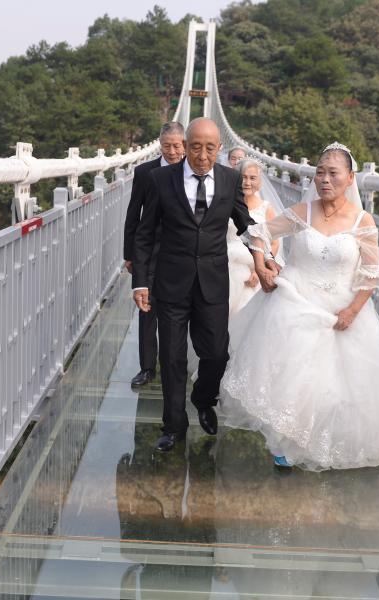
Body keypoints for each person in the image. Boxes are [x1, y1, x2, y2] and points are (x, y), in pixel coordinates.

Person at [219, 141, 379, 470]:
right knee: (293, 378)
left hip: (341, 312)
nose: (324, 179)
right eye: (319, 172)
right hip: (294, 303)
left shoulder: (363, 221)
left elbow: (371, 274)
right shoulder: (302, 212)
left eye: (333, 173)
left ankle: (321, 443)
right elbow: (259, 233)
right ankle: (286, 445)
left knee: (332, 388)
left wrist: (352, 310)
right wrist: (262, 264)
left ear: (350, 178)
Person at [132, 117, 254, 453]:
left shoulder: (231, 179)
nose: (202, 155)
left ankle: (203, 398)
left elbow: (246, 224)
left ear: (219, 149)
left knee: (216, 354)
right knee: (171, 358)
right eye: (195, 147)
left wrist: (266, 257)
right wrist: (140, 282)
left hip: (213, 283)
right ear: (185, 146)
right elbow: (143, 235)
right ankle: (173, 426)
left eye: (210, 148)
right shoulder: (160, 179)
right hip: (170, 283)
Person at [123, 122, 185, 387]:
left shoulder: (194, 171)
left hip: (180, 252)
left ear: (184, 145)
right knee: (147, 310)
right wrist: (129, 254)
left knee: (178, 312)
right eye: (167, 146)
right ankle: (147, 368)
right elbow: (133, 213)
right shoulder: (144, 172)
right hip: (148, 251)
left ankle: (176, 366)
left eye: (177, 146)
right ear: (159, 145)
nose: (172, 151)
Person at [226, 158, 280, 316]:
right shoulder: (226, 204)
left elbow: (275, 243)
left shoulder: (266, 207)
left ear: (259, 181)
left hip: (254, 270)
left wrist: (259, 271)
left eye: (252, 178)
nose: (247, 182)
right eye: (243, 177)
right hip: (227, 268)